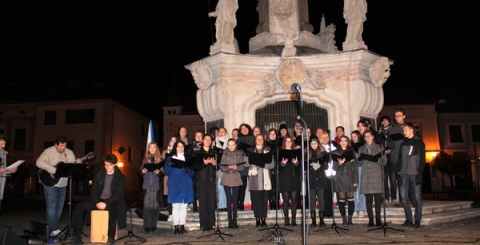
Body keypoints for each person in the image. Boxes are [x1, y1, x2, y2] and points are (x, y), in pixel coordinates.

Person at [70, 154, 126, 245]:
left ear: (114, 165)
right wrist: (97, 202)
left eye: (110, 165)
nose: (107, 167)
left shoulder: (120, 177)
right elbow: (94, 189)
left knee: (112, 210)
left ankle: (111, 237)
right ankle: (76, 236)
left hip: (112, 202)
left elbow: (119, 194)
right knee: (79, 206)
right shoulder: (100, 174)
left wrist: (106, 203)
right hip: (99, 200)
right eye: (106, 164)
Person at [36, 136, 82, 237]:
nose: (63, 148)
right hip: (50, 183)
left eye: (65, 145)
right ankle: (53, 229)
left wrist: (77, 162)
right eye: (61, 145)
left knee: (60, 207)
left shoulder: (69, 152)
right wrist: (53, 170)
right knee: (52, 206)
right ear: (55, 145)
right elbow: (39, 162)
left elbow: (71, 165)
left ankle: (55, 228)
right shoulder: (49, 151)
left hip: (63, 183)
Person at [397, 122, 425, 228]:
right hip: (403, 174)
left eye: (405, 130)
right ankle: (409, 219)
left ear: (411, 130)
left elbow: (422, 160)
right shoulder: (402, 144)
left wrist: (419, 174)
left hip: (414, 173)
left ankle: (417, 220)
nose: (404, 132)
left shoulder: (419, 143)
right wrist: (398, 172)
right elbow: (400, 159)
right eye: (403, 130)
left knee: (417, 197)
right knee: (404, 197)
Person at [165, 141, 195, 235]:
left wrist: (187, 170)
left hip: (185, 183)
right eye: (178, 146)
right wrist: (173, 166)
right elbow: (166, 171)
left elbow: (192, 172)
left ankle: (182, 225)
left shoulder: (188, 158)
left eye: (182, 146)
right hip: (175, 182)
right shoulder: (170, 158)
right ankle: (176, 226)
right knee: (175, 206)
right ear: (175, 147)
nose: (180, 148)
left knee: (183, 206)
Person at [357, 130, 386, 227]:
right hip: (366, 176)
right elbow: (359, 163)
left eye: (369, 136)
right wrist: (360, 159)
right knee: (368, 199)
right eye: (365, 136)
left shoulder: (379, 147)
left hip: (376, 175)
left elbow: (384, 161)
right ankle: (370, 220)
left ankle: (378, 219)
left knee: (378, 199)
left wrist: (376, 158)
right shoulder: (361, 149)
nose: (368, 138)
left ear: (373, 136)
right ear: (364, 138)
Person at [244, 134, 274, 227]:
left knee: (264, 200)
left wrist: (262, 165)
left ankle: (263, 218)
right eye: (258, 139)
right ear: (255, 140)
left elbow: (272, 165)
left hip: (265, 179)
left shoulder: (268, 151)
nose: (260, 140)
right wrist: (252, 162)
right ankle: (257, 218)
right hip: (254, 178)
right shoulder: (250, 150)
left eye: (261, 139)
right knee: (256, 199)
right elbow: (245, 164)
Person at [389, 109, 415, 208]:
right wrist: (389, 141)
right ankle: (402, 200)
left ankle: (412, 199)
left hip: (406, 157)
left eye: (399, 115)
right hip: (395, 157)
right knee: (399, 180)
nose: (397, 117)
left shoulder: (408, 127)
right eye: (396, 116)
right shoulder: (393, 129)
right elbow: (391, 145)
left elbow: (412, 139)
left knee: (409, 179)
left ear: (404, 116)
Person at [333, 136, 359, 225]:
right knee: (342, 200)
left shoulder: (352, 153)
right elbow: (334, 167)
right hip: (340, 178)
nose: (343, 142)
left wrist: (356, 180)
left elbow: (355, 167)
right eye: (342, 141)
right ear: (339, 142)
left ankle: (350, 219)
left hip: (350, 178)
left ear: (348, 142)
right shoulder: (336, 153)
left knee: (351, 199)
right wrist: (339, 164)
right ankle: (344, 219)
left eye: (345, 141)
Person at [194, 134, 217, 231]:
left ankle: (211, 224)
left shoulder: (214, 153)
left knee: (211, 202)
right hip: (201, 181)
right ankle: (203, 224)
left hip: (211, 181)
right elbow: (196, 167)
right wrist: (205, 163)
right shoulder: (198, 154)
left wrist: (214, 164)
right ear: (202, 141)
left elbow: (218, 168)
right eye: (206, 139)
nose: (208, 141)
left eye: (209, 140)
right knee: (203, 203)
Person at [220, 138, 245, 229]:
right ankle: (230, 221)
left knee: (235, 200)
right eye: (229, 145)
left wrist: (236, 168)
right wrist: (229, 168)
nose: (231, 147)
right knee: (229, 199)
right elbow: (221, 167)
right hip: (227, 178)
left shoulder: (239, 154)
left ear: (235, 145)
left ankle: (235, 220)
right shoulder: (224, 154)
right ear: (227, 145)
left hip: (236, 178)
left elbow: (242, 167)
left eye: (233, 145)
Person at [140, 142, 162, 233]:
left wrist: (159, 173)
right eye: (150, 147)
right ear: (148, 149)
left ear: (156, 149)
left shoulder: (159, 160)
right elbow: (140, 171)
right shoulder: (145, 160)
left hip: (156, 186)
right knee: (147, 206)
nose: (152, 149)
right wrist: (143, 171)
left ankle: (153, 225)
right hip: (147, 185)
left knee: (155, 206)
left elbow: (162, 172)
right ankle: (147, 225)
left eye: (154, 147)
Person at [278, 135, 300, 226]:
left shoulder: (296, 152)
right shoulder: (280, 152)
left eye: (290, 141)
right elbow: (277, 168)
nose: (288, 143)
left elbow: (300, 168)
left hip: (294, 178)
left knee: (294, 200)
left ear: (292, 142)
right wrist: (282, 164)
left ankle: (294, 220)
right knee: (286, 200)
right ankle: (286, 220)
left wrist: (296, 163)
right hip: (284, 179)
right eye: (286, 141)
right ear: (284, 142)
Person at [307, 138, 328, 227]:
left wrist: (315, 165)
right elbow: (305, 166)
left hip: (321, 178)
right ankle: (313, 220)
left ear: (318, 144)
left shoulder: (323, 153)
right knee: (312, 199)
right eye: (312, 144)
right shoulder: (307, 154)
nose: (314, 145)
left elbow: (326, 166)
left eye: (315, 143)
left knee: (321, 199)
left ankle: (322, 220)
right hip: (311, 178)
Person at [377, 115, 397, 205]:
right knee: (384, 179)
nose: (384, 122)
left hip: (392, 157)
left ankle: (394, 198)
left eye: (386, 120)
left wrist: (391, 149)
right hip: (383, 157)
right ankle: (386, 198)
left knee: (393, 179)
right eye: (383, 121)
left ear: (389, 122)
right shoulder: (379, 132)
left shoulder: (393, 131)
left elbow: (395, 143)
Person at [236, 123, 255, 211]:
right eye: (242, 129)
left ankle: (254, 204)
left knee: (253, 186)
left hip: (252, 164)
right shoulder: (238, 140)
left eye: (246, 128)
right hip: (242, 165)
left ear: (249, 129)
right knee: (242, 186)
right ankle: (240, 204)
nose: (244, 130)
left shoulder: (253, 139)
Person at [0, 135, 18, 213]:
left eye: (4, 144)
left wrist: (11, 170)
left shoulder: (3, 153)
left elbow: (3, 169)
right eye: (1, 144)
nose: (4, 146)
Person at [351, 130, 366, 217]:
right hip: (352, 168)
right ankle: (354, 208)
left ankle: (362, 208)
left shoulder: (362, 146)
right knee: (353, 188)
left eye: (355, 136)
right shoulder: (350, 146)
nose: (353, 138)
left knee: (361, 188)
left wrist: (358, 156)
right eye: (352, 136)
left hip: (360, 166)